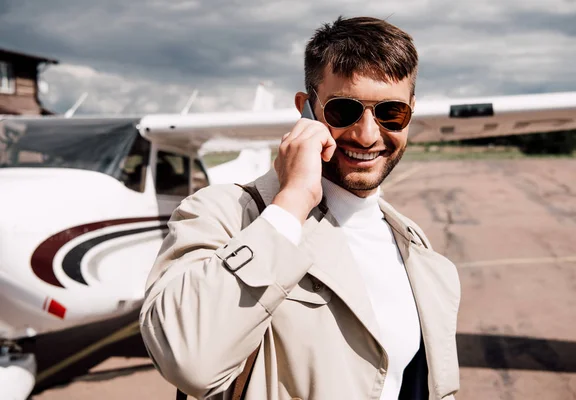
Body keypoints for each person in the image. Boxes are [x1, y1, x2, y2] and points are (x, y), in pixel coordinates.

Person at [140, 16, 460, 400]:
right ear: (306, 109)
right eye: (344, 110)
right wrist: (291, 201)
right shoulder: (221, 214)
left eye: (391, 112)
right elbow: (189, 362)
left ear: (410, 112)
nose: (367, 134)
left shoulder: (415, 246)